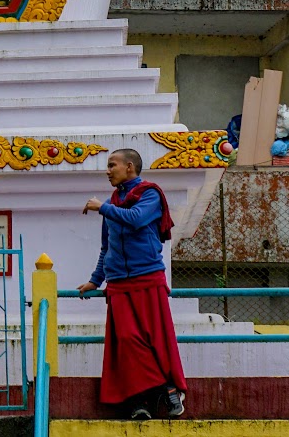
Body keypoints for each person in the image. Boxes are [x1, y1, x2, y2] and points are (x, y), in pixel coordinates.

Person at [77, 148, 187, 420]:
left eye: (112, 165)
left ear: (129, 167)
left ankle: (164, 391)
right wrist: (95, 279)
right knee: (127, 341)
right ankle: (151, 395)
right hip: (118, 284)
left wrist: (103, 208)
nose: (107, 170)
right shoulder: (112, 202)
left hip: (147, 277)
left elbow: (137, 219)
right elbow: (107, 247)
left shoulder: (150, 194)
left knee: (155, 340)